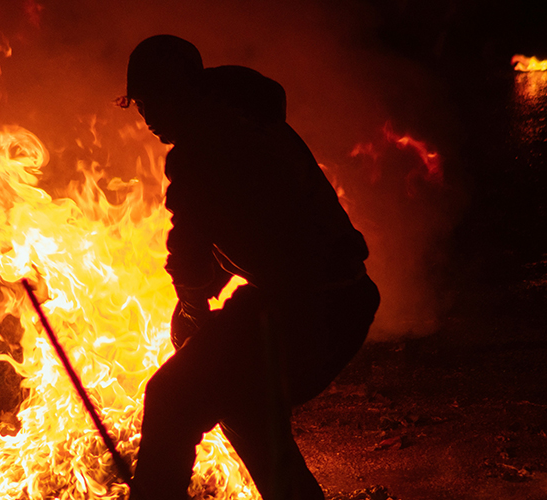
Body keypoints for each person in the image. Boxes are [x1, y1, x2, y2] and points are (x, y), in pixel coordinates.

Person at [122, 35, 380, 500]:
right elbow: (259, 227)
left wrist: (194, 304)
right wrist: (198, 302)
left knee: (172, 398)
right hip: (333, 299)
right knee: (242, 402)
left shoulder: (202, 146)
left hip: (308, 310)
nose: (146, 116)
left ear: (178, 91)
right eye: (138, 103)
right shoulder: (252, 120)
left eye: (150, 100)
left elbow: (192, 245)